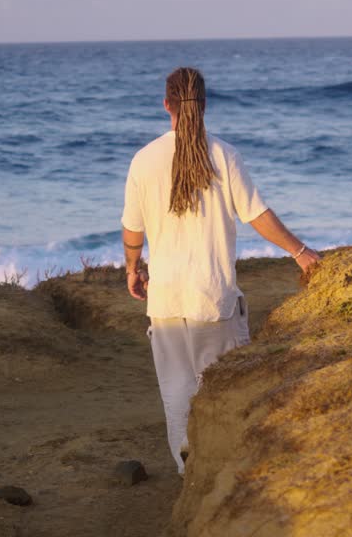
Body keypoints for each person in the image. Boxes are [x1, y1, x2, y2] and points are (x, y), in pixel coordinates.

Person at [121, 66, 321, 474]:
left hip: (166, 299)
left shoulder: (144, 160)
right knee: (223, 390)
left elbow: (132, 228)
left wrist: (132, 267)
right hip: (213, 297)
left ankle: (187, 472)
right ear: (205, 105)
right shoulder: (224, 155)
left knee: (177, 392)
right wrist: (299, 252)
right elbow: (257, 215)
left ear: (166, 105)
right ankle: (224, 474)